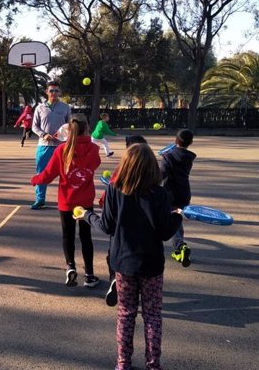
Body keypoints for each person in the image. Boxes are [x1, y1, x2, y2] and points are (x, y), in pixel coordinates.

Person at [83, 143, 183, 370]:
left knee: (126, 315)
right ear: (151, 168)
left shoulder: (114, 190)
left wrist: (88, 216)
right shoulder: (159, 194)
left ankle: (123, 363)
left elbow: (106, 226)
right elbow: (167, 232)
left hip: (124, 262)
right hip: (151, 263)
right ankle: (153, 364)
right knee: (153, 315)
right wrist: (177, 216)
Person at [31, 113, 101, 287]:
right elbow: (95, 164)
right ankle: (90, 275)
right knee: (86, 237)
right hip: (85, 201)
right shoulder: (93, 150)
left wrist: (35, 180)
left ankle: (70, 267)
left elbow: (47, 175)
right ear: (86, 129)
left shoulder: (62, 150)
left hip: (66, 201)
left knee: (67, 235)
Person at [98, 134, 148, 306]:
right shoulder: (152, 172)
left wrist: (99, 206)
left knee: (114, 254)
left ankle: (115, 279)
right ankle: (137, 286)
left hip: (121, 225)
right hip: (145, 232)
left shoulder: (121, 169)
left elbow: (110, 192)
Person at [30, 81, 71, 209]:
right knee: (42, 173)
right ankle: (40, 199)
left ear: (59, 92)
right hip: (44, 146)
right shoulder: (39, 108)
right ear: (47, 92)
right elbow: (34, 127)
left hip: (62, 146)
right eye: (51, 90)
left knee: (66, 174)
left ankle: (66, 199)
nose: (54, 93)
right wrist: (44, 135)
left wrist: (64, 135)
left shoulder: (65, 107)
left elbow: (70, 126)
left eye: (56, 91)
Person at [160, 129, 196, 267]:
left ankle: (180, 246)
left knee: (172, 220)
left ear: (176, 141)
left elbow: (162, 173)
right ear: (191, 142)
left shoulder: (169, 156)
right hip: (184, 192)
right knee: (177, 219)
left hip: (170, 193)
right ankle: (179, 248)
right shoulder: (188, 157)